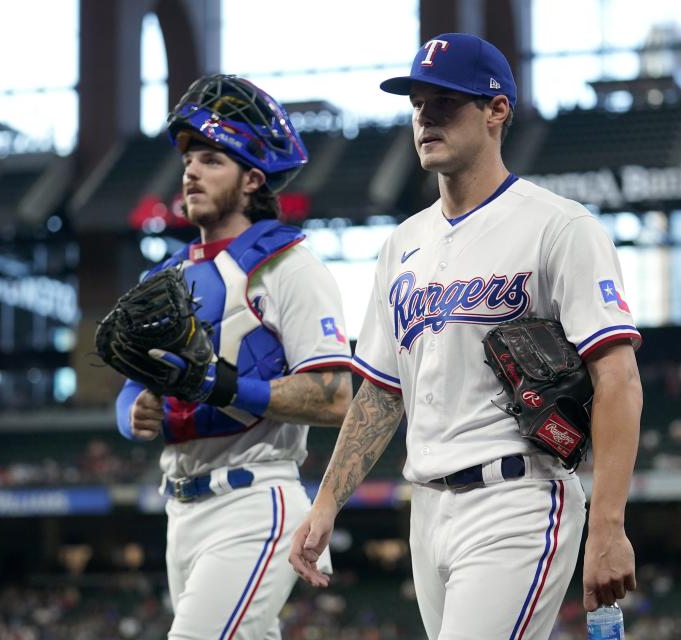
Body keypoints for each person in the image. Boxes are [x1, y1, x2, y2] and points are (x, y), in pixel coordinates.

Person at [289, 33, 643, 639]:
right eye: (417, 103)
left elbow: (618, 378)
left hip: (517, 496)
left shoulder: (558, 227)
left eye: (445, 102)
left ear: (496, 110)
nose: (425, 116)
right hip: (425, 508)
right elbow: (379, 392)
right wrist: (325, 505)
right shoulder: (401, 246)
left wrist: (608, 526)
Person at [115, 74, 354, 640]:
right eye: (189, 159)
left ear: (252, 179)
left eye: (212, 159)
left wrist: (222, 386)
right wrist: (134, 411)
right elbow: (131, 388)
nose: (191, 171)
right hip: (180, 506)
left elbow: (335, 396)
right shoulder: (164, 276)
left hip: (253, 499)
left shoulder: (289, 265)